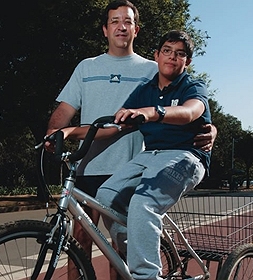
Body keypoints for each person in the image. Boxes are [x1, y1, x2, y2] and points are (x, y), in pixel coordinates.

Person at [45, 0, 216, 276]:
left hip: (139, 162)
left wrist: (210, 129)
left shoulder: (155, 69)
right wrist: (57, 134)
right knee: (82, 236)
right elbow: (86, 116)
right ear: (105, 29)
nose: (121, 27)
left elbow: (191, 107)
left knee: (123, 238)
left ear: (136, 29)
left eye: (127, 22)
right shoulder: (87, 67)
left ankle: (143, 273)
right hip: (89, 164)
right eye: (115, 21)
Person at [95, 30, 211, 279]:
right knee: (105, 197)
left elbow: (191, 112)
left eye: (180, 54)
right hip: (151, 156)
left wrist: (154, 112)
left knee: (143, 203)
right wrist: (68, 132)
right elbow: (118, 123)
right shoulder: (144, 89)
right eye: (167, 51)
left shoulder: (193, 86)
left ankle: (146, 276)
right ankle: (136, 255)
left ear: (187, 62)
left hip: (186, 156)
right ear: (157, 56)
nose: (172, 57)